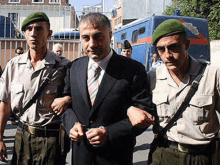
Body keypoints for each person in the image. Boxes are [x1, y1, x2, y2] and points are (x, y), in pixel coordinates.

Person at [59, 12, 154, 165]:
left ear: (110, 35)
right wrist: (72, 125)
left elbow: (144, 115)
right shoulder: (74, 67)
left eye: (98, 36)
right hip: (81, 157)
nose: (92, 44)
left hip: (116, 157)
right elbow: (65, 106)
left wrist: (108, 133)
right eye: (86, 38)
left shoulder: (133, 69)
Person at [127, 19, 220, 165]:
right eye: (161, 49)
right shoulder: (153, 77)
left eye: (173, 47)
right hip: (164, 154)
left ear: (187, 45)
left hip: (202, 157)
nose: (167, 55)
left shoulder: (212, 75)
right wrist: (130, 109)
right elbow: (136, 105)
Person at [0, 12, 70, 164]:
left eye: (39, 29)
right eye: (29, 29)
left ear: (49, 34)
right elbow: (5, 104)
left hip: (50, 139)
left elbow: (77, 94)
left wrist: (67, 98)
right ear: (24, 34)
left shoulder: (63, 66)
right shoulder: (13, 66)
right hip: (22, 136)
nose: (33, 34)